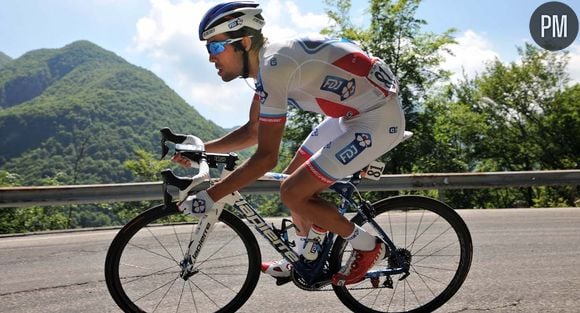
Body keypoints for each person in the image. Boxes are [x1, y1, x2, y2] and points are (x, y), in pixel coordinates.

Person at [176, 0, 406, 286]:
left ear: (245, 42)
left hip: (377, 119)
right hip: (350, 114)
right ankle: (304, 254)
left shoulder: (275, 65)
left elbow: (265, 157)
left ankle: (368, 246)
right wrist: (200, 150)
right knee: (291, 179)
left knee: (293, 191)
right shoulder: (269, 66)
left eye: (215, 47)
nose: (211, 57)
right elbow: (252, 132)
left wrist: (212, 195)